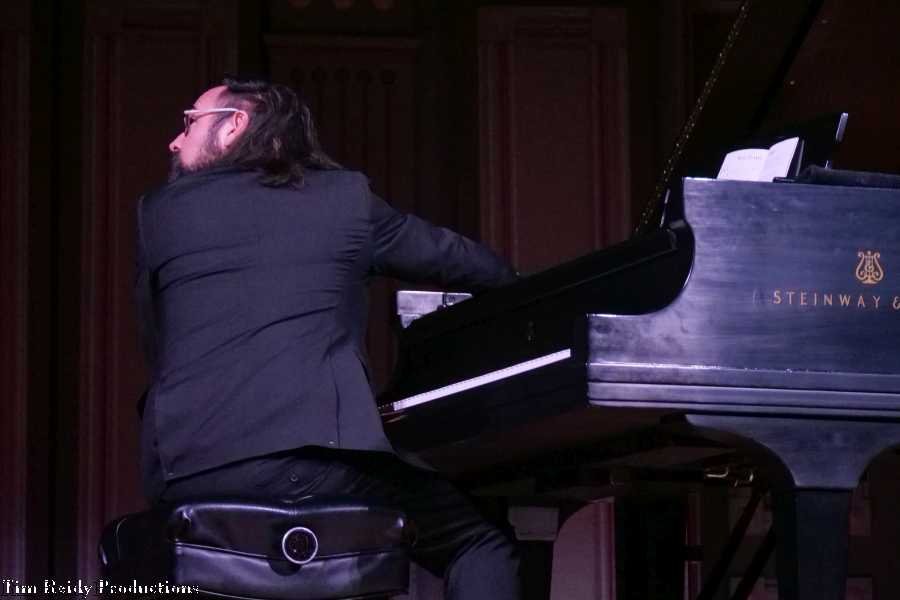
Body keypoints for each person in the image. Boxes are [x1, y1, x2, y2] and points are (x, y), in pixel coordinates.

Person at [133, 76, 522, 600]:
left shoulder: (159, 212)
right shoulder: (345, 200)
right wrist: (518, 287)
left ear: (235, 125)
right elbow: (465, 263)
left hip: (188, 472)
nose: (174, 140)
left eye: (188, 122)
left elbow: (157, 346)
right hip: (310, 466)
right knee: (480, 542)